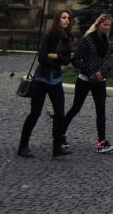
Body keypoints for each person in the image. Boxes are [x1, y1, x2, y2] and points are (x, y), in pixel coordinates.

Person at [62, 13, 113, 154]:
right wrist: (91, 71)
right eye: (105, 25)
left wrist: (102, 72)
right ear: (98, 24)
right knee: (76, 107)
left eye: (109, 25)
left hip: (100, 80)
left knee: (101, 110)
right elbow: (76, 59)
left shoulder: (105, 40)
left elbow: (107, 60)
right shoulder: (87, 39)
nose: (107, 27)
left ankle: (101, 142)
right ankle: (60, 133)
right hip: (85, 79)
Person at [17, 9, 73, 158]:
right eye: (64, 17)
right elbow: (42, 56)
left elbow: (67, 60)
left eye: (68, 18)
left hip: (56, 80)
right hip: (42, 79)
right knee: (35, 113)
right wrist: (56, 58)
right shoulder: (49, 36)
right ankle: (23, 145)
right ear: (57, 20)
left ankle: (57, 148)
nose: (67, 20)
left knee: (60, 113)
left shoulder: (67, 38)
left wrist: (55, 56)